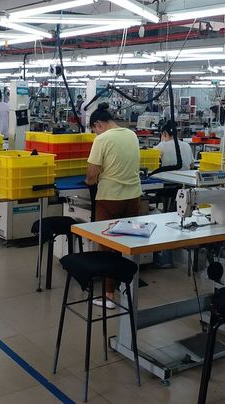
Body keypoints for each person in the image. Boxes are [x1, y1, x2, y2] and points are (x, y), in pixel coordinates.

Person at [86, 103, 142, 309]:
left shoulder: (102, 139)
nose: (95, 133)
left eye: (94, 130)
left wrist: (89, 181)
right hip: (133, 196)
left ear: (98, 125)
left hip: (110, 197)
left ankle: (108, 295)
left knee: (107, 246)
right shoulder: (131, 135)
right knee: (128, 242)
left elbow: (92, 173)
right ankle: (127, 287)